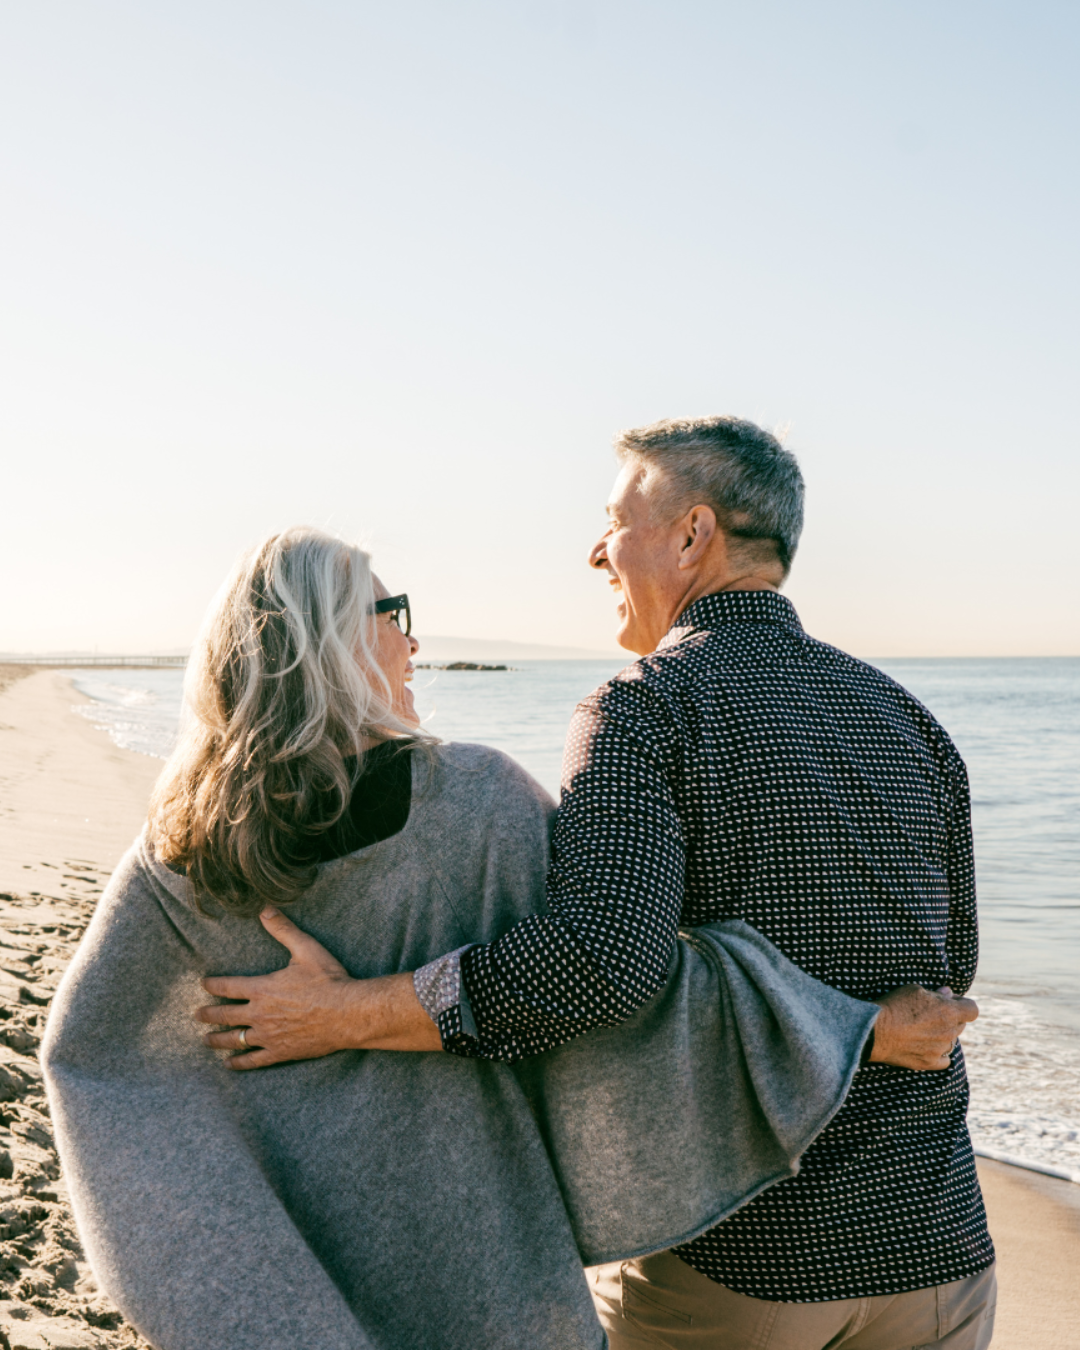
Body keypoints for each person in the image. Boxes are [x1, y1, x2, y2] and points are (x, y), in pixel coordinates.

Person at [42, 526, 949, 1350]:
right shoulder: (473, 805)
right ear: (334, 638)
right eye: (394, 612)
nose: (413, 640)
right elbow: (624, 976)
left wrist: (223, 1275)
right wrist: (851, 1025)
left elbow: (95, 1060)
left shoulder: (182, 844)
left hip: (286, 1256)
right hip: (479, 1261)